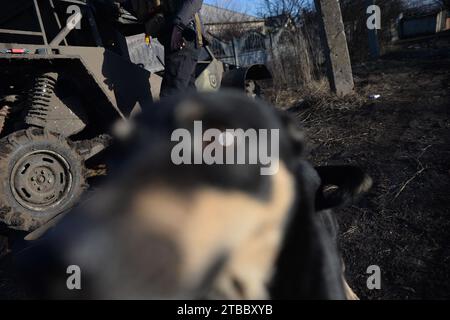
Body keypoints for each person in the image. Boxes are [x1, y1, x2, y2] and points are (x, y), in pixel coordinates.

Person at [124, 0, 204, 98]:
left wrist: (179, 25)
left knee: (171, 94)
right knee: (188, 93)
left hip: (183, 35)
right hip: (175, 37)